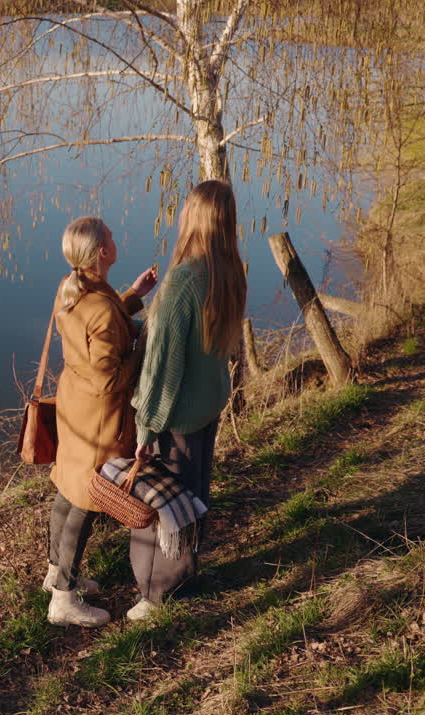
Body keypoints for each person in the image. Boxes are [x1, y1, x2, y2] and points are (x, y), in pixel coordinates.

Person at [127, 179, 246, 621]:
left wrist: (146, 428)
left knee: (165, 504)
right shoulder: (229, 272)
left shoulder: (182, 281)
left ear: (193, 218)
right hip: (207, 405)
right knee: (193, 495)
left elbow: (162, 368)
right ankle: (186, 576)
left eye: (184, 210)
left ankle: (156, 597)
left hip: (176, 417)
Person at [44, 216, 157, 627]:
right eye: (110, 235)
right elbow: (110, 375)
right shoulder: (97, 305)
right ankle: (63, 599)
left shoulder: (73, 286)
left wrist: (134, 294)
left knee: (67, 485)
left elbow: (101, 325)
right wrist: (143, 350)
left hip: (75, 404)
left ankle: (55, 572)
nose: (116, 236)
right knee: (86, 500)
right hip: (99, 415)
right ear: (102, 252)